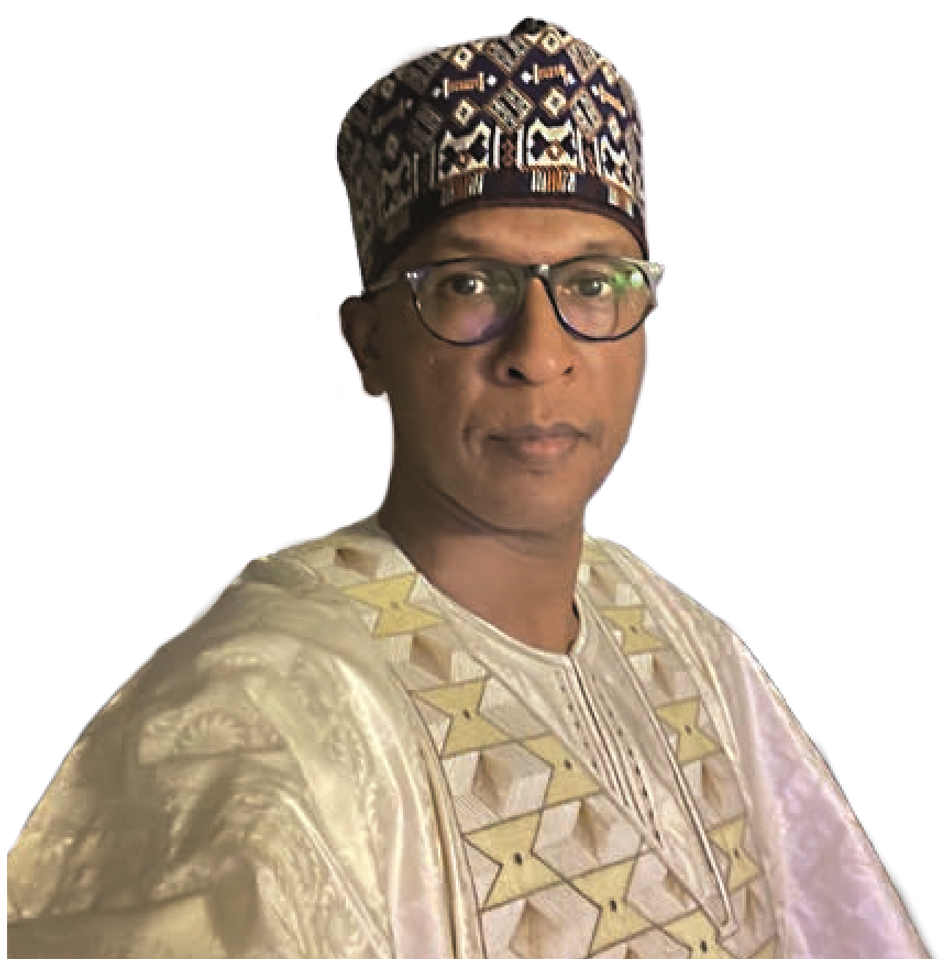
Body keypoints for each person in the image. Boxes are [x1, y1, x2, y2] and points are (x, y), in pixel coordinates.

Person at [7, 18, 933, 959]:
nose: (539, 353)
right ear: (367, 343)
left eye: (593, 283)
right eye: (468, 285)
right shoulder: (265, 719)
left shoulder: (678, 636)